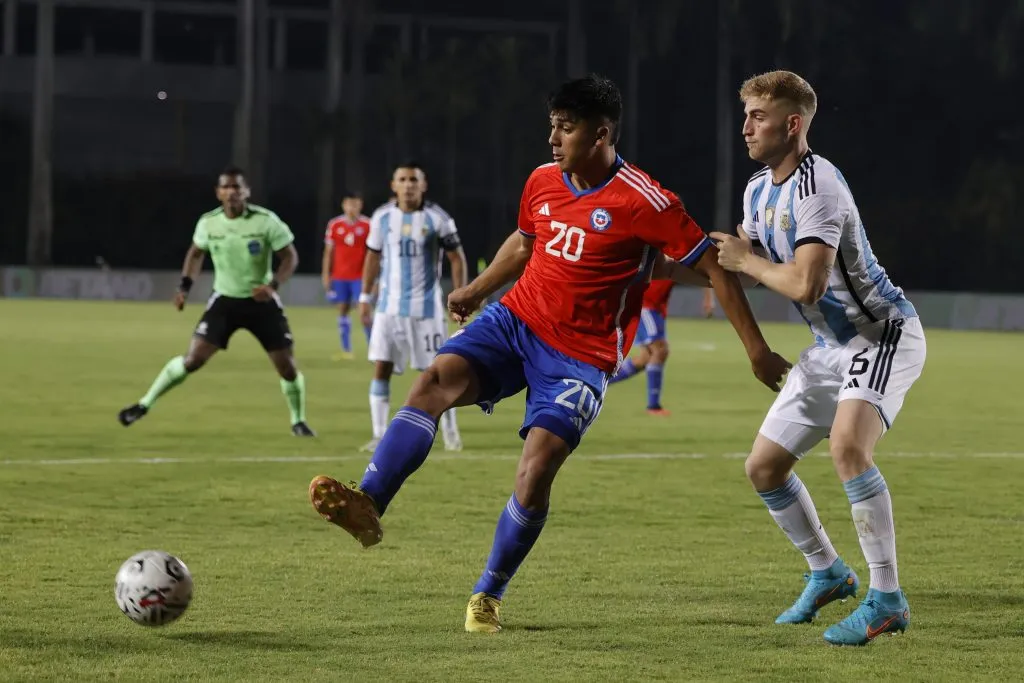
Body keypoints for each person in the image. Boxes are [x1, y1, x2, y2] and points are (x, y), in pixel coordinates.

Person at [308, 75, 789, 633]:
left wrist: (757, 350)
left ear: (601, 133)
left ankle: (487, 594)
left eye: (566, 128)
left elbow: (710, 265)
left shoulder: (645, 199)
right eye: (552, 127)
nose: (553, 140)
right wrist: (478, 288)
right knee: (431, 381)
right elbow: (526, 240)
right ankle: (368, 501)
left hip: (580, 358)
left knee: (535, 472)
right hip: (517, 322)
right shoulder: (542, 180)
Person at [710, 70, 925, 646]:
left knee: (849, 448)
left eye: (759, 115)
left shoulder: (819, 185)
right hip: (828, 350)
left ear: (792, 123)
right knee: (763, 468)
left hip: (880, 336)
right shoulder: (759, 189)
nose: (747, 126)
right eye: (747, 113)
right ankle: (829, 572)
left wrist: (745, 262)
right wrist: (724, 261)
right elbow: (761, 272)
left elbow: (805, 284)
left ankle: (887, 598)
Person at [117, 166, 315, 437]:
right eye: (227, 187)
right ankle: (143, 404)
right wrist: (184, 287)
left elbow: (289, 256)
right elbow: (196, 254)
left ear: (246, 191)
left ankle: (298, 421)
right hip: (225, 301)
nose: (232, 192)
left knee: (287, 368)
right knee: (193, 359)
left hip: (261, 303)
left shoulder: (266, 221)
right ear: (218, 193)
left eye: (237, 187)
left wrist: (273, 286)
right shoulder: (209, 223)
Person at [358, 162, 467, 452]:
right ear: (394, 185)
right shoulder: (382, 218)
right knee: (381, 367)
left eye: (413, 180)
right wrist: (364, 297)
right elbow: (372, 258)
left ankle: (451, 433)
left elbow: (457, 257)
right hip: (388, 309)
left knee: (440, 373)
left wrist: (460, 295)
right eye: (402, 180)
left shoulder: (437, 218)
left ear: (423, 185)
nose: (408, 185)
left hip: (426, 311)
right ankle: (379, 435)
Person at [608, 279, 674, 415]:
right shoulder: (662, 257)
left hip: (656, 306)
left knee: (644, 359)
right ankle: (653, 406)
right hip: (646, 303)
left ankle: (597, 383)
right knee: (660, 350)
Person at [322, 190, 372, 360]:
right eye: (349, 204)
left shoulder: (368, 225)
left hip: (361, 277)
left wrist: (375, 277)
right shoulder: (335, 225)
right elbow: (328, 252)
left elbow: (375, 253)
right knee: (342, 310)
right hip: (340, 276)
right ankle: (346, 350)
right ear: (344, 205)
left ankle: (374, 349)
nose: (352, 207)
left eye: (356, 204)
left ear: (360, 205)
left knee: (364, 313)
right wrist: (326, 275)